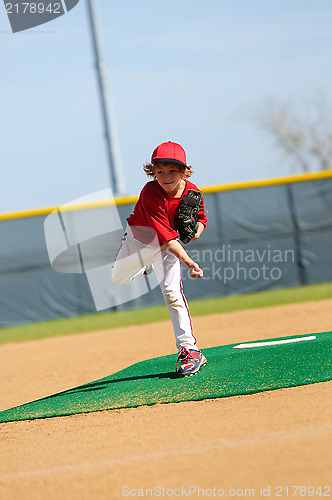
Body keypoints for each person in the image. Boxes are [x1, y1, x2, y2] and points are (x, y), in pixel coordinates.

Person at [112, 141, 208, 376]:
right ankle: (145, 267)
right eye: (160, 170)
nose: (166, 176)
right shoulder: (150, 192)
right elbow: (167, 238)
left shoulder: (192, 191)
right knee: (117, 279)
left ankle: (189, 349)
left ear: (184, 170)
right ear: (152, 171)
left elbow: (202, 220)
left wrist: (195, 232)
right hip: (139, 241)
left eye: (172, 170)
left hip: (166, 248)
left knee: (172, 293)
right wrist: (190, 262)